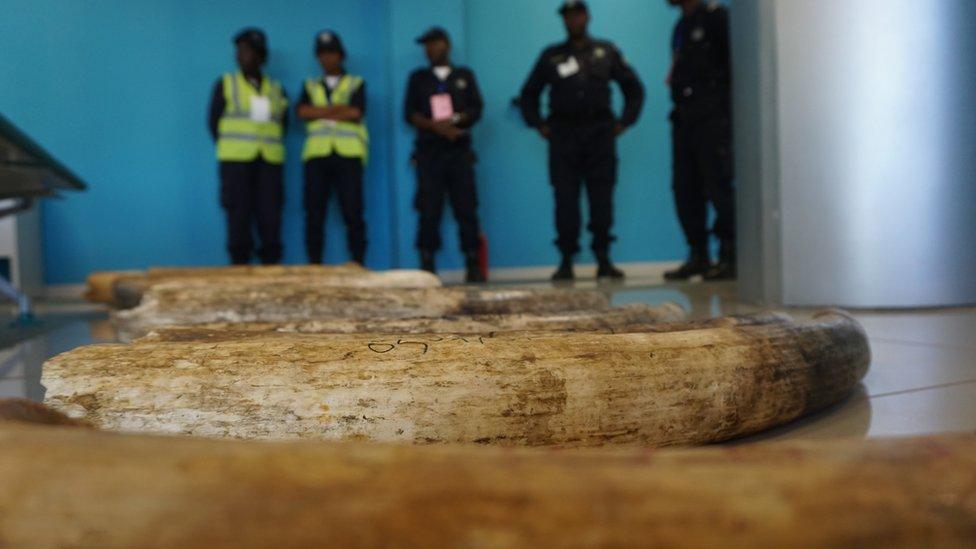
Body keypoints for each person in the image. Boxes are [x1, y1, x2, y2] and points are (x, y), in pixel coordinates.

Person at [520, 0, 645, 281]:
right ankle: (566, 260)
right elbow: (528, 94)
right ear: (563, 20)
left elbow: (634, 90)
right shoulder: (551, 56)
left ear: (586, 16)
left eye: (577, 14)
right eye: (567, 16)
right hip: (563, 137)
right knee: (565, 199)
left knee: (602, 198)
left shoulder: (606, 51)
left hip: (600, 135)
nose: (572, 20)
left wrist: (624, 121)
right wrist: (539, 124)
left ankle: (604, 259)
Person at [404, 27, 486, 283]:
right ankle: (427, 264)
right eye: (426, 45)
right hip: (429, 155)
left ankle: (472, 262)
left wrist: (455, 122)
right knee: (429, 210)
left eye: (434, 44)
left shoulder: (464, 75)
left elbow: (477, 108)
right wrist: (436, 127)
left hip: (459, 152)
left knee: (466, 208)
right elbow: (409, 113)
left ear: (447, 45)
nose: (430, 49)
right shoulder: (418, 78)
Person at [663, 0, 736, 281]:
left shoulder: (717, 18)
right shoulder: (681, 26)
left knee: (718, 184)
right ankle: (698, 254)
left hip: (712, 116)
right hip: (684, 117)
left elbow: (733, 68)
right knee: (685, 187)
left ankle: (730, 254)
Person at [207, 28, 288, 265]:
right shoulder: (225, 84)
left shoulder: (276, 89)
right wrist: (236, 147)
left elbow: (283, 123)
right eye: (239, 51)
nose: (241, 56)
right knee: (238, 215)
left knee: (270, 216)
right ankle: (239, 268)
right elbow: (213, 123)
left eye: (247, 51)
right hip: (236, 162)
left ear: (261, 56)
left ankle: (271, 269)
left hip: (269, 162)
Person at [297, 30, 369, 265]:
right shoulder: (310, 85)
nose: (327, 59)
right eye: (322, 54)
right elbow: (301, 112)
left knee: (353, 212)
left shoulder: (355, 83)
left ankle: (357, 263)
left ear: (341, 55)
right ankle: (314, 266)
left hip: (348, 156)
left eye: (331, 53)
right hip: (316, 156)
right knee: (314, 214)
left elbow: (355, 112)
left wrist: (319, 111)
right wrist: (338, 110)